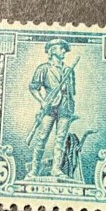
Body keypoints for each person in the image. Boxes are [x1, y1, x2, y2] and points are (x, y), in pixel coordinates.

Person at [27, 38, 76, 178]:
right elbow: (33, 87)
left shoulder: (69, 70)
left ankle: (56, 170)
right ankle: (34, 170)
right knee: (42, 138)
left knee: (61, 139)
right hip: (49, 107)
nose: (64, 51)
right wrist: (42, 101)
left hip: (65, 107)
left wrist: (66, 91)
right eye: (61, 48)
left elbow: (72, 92)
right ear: (53, 50)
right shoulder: (43, 69)